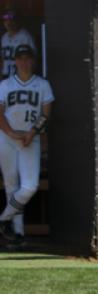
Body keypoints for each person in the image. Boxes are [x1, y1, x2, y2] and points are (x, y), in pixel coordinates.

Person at [0, 44, 54, 249]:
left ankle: (3, 219)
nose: (24, 62)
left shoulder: (42, 85)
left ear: (33, 60)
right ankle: (18, 235)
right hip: (7, 138)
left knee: (29, 186)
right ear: (15, 61)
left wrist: (32, 132)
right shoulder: (5, 85)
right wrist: (11, 132)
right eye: (20, 58)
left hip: (30, 139)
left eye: (27, 58)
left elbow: (46, 113)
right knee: (11, 185)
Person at [1, 8, 36, 79]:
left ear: (17, 20)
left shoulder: (25, 37)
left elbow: (33, 61)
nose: (9, 22)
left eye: (11, 19)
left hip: (20, 77)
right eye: (6, 19)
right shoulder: (4, 38)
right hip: (5, 77)